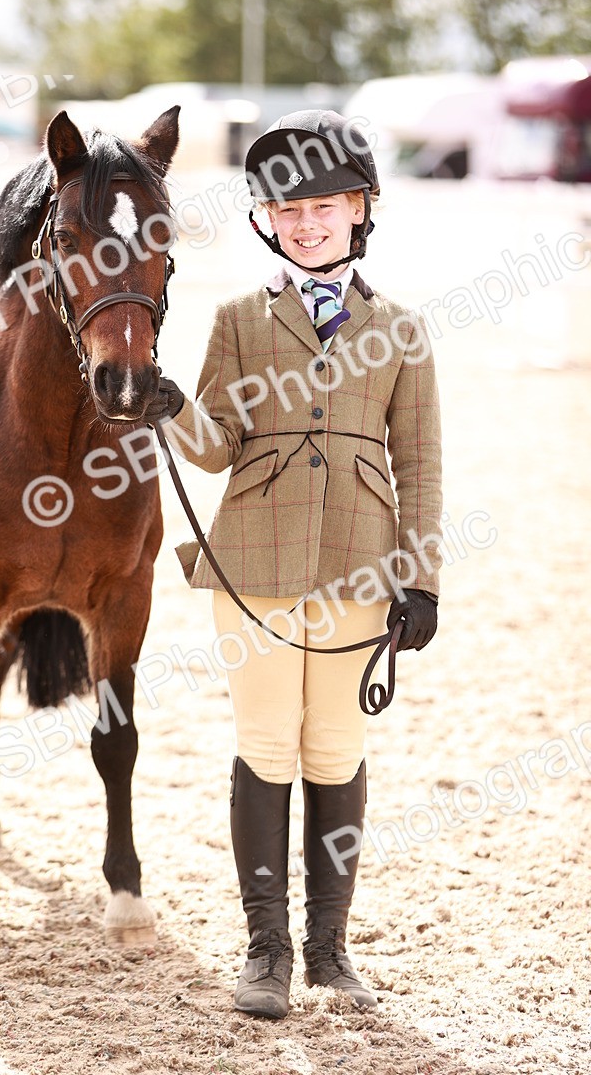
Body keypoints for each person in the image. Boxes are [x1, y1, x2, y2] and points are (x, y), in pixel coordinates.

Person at [144, 110, 443, 1019]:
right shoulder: (239, 321)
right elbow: (218, 442)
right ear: (267, 220)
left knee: (337, 749)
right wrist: (169, 405)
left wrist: (422, 577)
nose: (307, 221)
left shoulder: (402, 329)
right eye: (289, 208)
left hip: (359, 563)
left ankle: (330, 950)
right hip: (256, 562)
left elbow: (420, 461)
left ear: (360, 211)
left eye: (326, 206)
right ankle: (266, 951)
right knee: (267, 747)